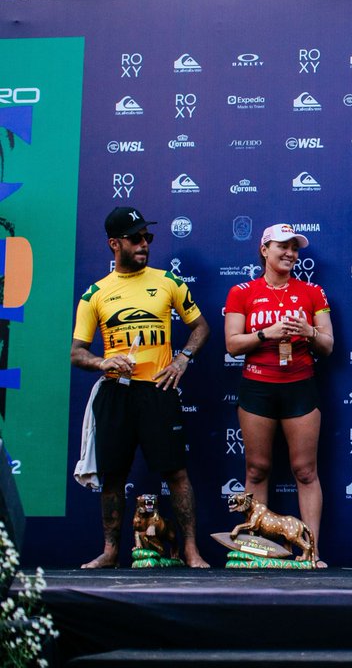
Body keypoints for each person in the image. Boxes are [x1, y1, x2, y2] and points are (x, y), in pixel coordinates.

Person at [70, 207, 210, 569]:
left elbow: (201, 328)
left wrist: (183, 359)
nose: (144, 244)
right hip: (116, 391)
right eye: (135, 238)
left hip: (157, 390)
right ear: (114, 244)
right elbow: (76, 353)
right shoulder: (95, 294)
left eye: (147, 237)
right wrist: (104, 362)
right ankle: (111, 551)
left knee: (176, 472)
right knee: (113, 475)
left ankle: (192, 551)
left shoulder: (169, 282)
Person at [224, 223, 333, 565]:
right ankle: (255, 552)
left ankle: (311, 553)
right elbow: (232, 344)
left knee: (305, 471)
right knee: (256, 469)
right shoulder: (241, 291)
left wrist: (309, 331)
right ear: (264, 250)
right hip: (258, 386)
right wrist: (265, 333)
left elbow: (328, 345)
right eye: (282, 247)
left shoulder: (312, 292)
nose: (290, 253)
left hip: (300, 386)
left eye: (295, 248)